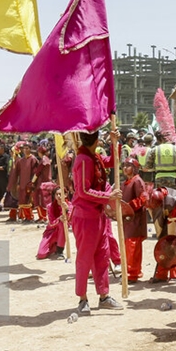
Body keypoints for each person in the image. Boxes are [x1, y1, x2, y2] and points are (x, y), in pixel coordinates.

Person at [70, 130, 123, 315]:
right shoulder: (83, 160)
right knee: (85, 258)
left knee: (102, 255)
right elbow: (83, 191)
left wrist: (115, 142)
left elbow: (112, 161)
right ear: (97, 139)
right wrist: (108, 196)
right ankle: (82, 298)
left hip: (97, 215)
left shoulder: (94, 156)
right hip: (85, 217)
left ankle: (104, 295)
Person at [120, 158, 148, 283]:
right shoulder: (125, 182)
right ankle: (129, 271)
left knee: (133, 246)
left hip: (135, 219)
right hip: (127, 219)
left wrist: (129, 206)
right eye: (124, 165)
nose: (125, 168)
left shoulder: (137, 181)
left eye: (129, 166)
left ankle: (133, 273)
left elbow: (143, 198)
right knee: (128, 246)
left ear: (135, 168)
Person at [8, 141, 39, 222]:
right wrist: (18, 183)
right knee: (22, 201)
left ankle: (30, 217)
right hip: (22, 183)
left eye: (27, 148)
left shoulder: (33, 159)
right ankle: (25, 217)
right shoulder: (21, 161)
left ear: (30, 149)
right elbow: (17, 173)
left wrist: (32, 183)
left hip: (29, 183)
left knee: (28, 200)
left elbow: (36, 172)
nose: (25, 150)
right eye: (24, 148)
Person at [36, 182, 66, 260]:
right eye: (57, 194)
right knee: (41, 255)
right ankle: (54, 246)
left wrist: (66, 210)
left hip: (62, 232)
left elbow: (71, 221)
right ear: (54, 196)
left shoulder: (69, 205)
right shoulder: (50, 207)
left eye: (60, 194)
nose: (59, 196)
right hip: (51, 232)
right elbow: (51, 223)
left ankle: (60, 251)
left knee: (63, 223)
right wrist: (59, 219)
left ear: (65, 195)